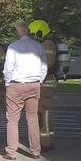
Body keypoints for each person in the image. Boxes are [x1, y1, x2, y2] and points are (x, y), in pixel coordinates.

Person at [2, 21, 47, 160]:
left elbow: (8, 68)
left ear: (18, 31)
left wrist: (8, 83)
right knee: (32, 118)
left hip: (16, 85)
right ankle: (35, 151)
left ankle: (11, 152)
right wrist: (39, 80)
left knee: (13, 119)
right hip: (34, 85)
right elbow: (44, 66)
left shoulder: (13, 47)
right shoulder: (38, 46)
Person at [29, 19, 58, 151]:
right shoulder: (49, 43)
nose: (32, 37)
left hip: (45, 83)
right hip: (48, 82)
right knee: (47, 113)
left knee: (42, 113)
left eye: (33, 34)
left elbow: (47, 64)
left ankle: (44, 142)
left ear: (40, 32)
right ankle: (50, 140)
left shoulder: (46, 44)